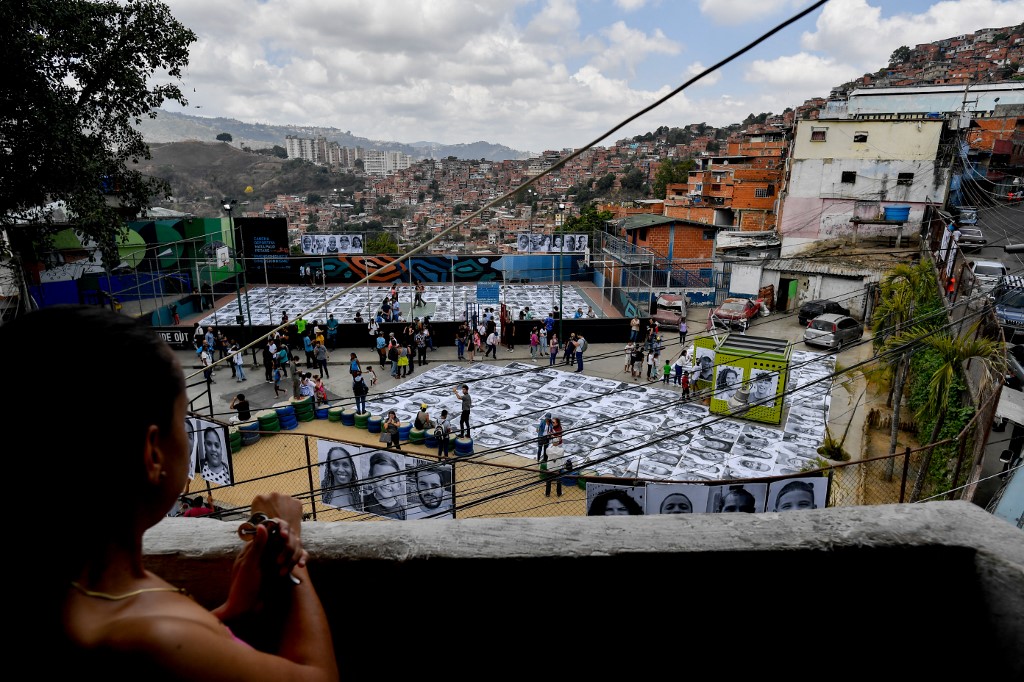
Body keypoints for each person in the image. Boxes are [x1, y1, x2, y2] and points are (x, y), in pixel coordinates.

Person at [12, 306, 339, 682]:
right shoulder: (150, 640)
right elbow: (320, 676)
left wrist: (228, 612)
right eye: (182, 419)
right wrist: (286, 540)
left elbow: (186, 650)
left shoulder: (80, 588)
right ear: (152, 453)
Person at [362, 451, 406, 520]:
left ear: (398, 485)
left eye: (392, 481)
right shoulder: (363, 501)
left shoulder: (402, 511)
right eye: (380, 478)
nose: (386, 484)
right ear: (370, 479)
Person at [321, 445, 361, 511]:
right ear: (329, 467)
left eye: (345, 465)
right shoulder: (322, 496)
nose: (341, 470)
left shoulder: (360, 500)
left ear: (352, 468)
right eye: (336, 464)